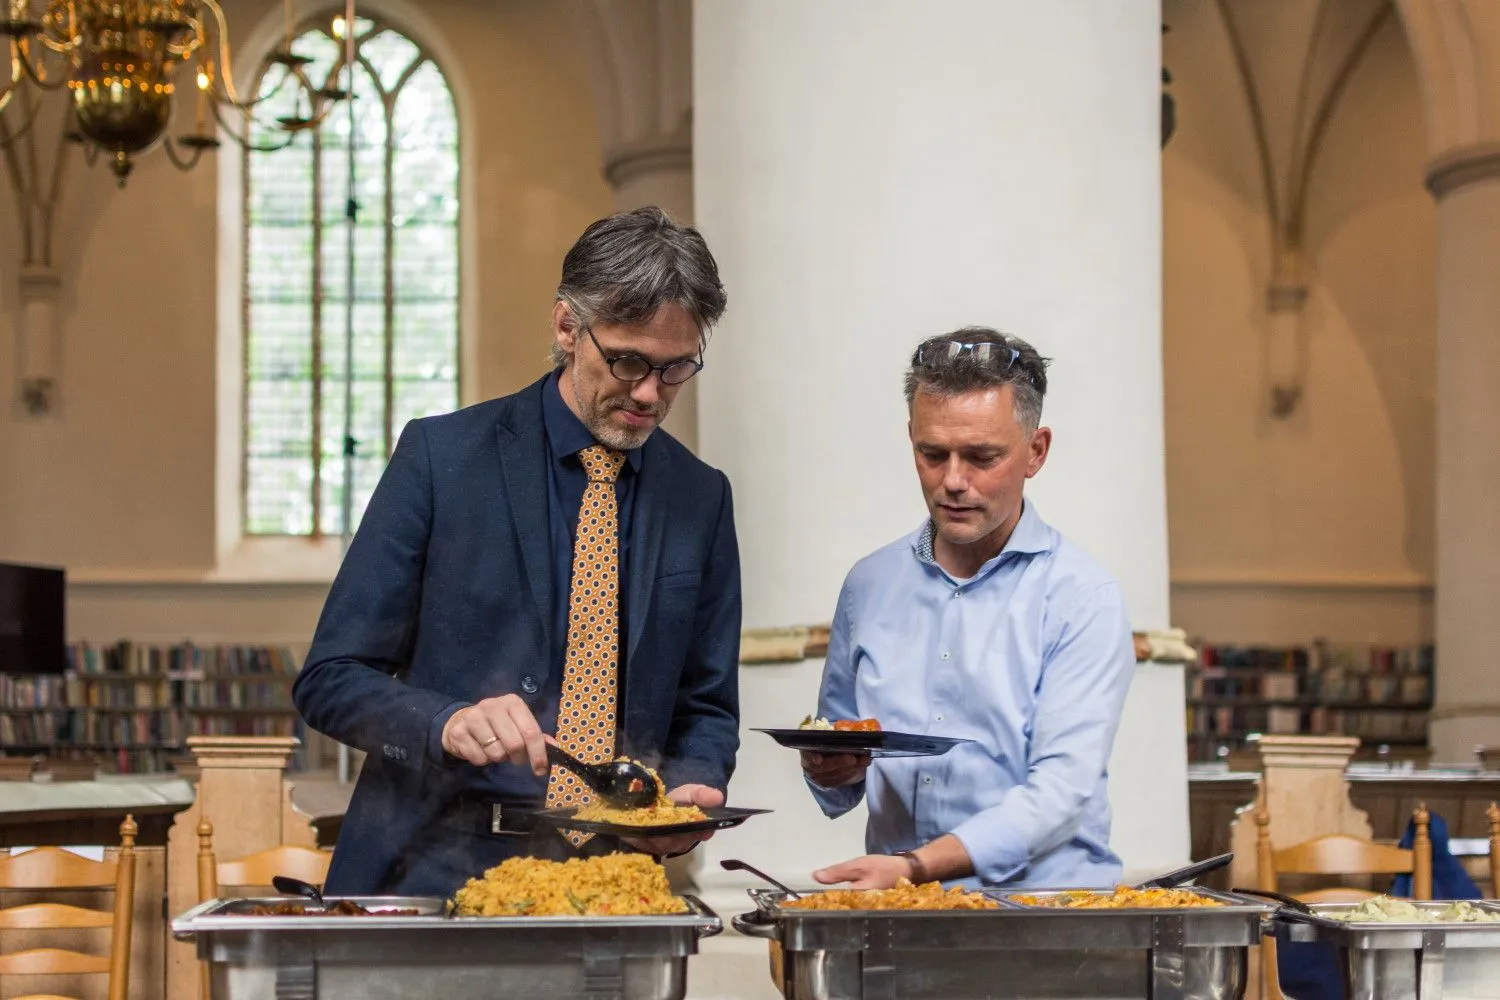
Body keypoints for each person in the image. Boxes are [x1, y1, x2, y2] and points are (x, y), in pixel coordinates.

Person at [293, 207, 742, 896]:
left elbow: (706, 707)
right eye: (627, 361)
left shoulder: (700, 498)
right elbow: (330, 677)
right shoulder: (442, 460)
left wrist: (695, 784)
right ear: (567, 327)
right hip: (433, 863)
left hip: (614, 884)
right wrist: (443, 722)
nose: (650, 394)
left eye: (677, 368)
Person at [803, 326, 1135, 890]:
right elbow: (840, 760)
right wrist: (828, 769)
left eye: (982, 457)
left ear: (1036, 451)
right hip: (905, 920)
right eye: (932, 454)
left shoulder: (1082, 597)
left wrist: (916, 866)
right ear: (911, 439)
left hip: (1046, 921)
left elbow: (1061, 792)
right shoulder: (868, 585)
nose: (953, 481)